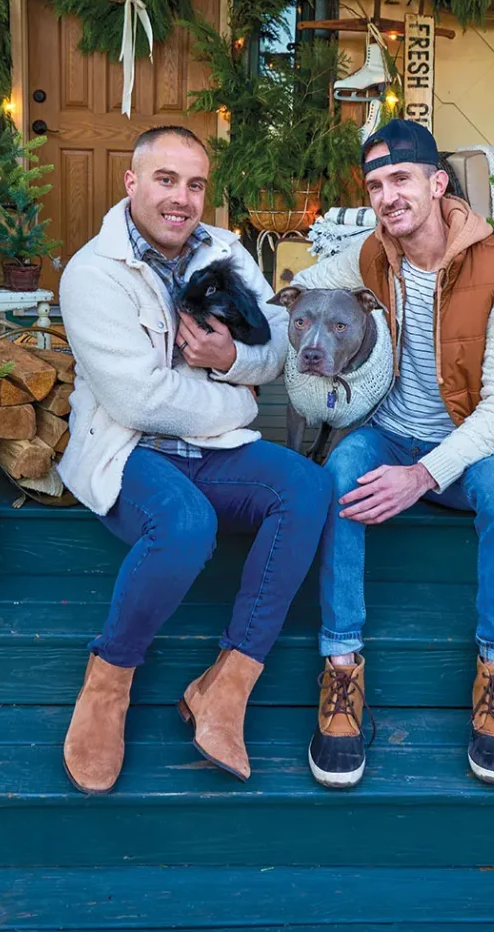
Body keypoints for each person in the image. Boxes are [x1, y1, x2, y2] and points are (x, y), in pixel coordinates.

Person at [57, 125, 332, 794]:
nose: (181, 198)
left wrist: (228, 358)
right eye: (165, 180)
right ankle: (108, 683)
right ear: (132, 184)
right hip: (132, 454)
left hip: (215, 454)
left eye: (195, 184)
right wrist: (239, 403)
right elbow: (138, 401)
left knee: (307, 487)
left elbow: (274, 352)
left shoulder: (227, 252)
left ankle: (226, 686)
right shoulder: (94, 273)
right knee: (185, 526)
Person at [293, 119, 494, 790]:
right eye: (375, 185)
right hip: (389, 433)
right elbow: (297, 292)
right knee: (340, 472)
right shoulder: (372, 256)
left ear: (436, 183)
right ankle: (341, 671)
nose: (388, 196)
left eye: (400, 179)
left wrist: (425, 474)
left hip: (463, 448)